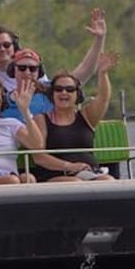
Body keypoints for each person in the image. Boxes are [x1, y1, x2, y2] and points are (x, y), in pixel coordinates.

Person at [32, 52, 120, 182]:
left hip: (90, 173)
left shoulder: (86, 116)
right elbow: (39, 157)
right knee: (75, 183)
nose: (64, 92)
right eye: (58, 89)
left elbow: (103, 98)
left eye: (69, 89)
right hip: (55, 175)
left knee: (107, 180)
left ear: (77, 94)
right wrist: (70, 166)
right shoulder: (41, 120)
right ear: (52, 94)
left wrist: (102, 74)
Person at [0, 8, 109, 91]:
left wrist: (99, 39)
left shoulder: (39, 86)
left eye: (6, 45)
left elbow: (83, 73)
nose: (2, 49)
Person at [0, 48, 54, 122]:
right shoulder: (2, 101)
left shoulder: (50, 91)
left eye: (32, 68)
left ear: (39, 72)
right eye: (22, 68)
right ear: (13, 70)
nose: (27, 72)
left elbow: (72, 79)